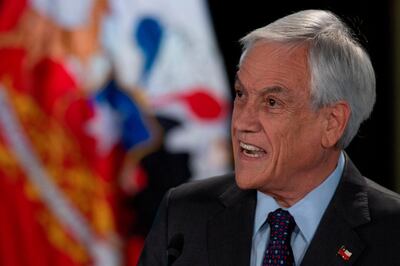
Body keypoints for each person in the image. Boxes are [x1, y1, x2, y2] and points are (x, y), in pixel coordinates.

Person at [138, 9, 400, 266]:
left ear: (332, 123)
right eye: (241, 94)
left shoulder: (392, 234)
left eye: (272, 102)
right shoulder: (183, 217)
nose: (241, 122)